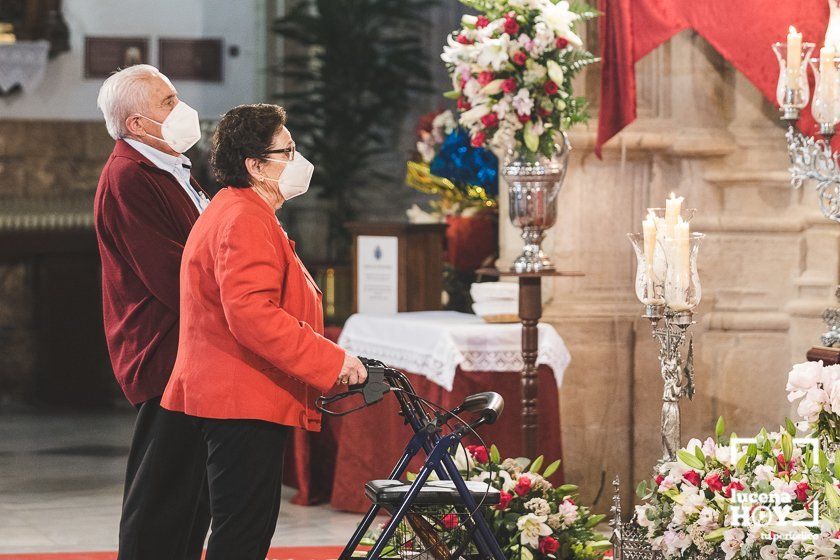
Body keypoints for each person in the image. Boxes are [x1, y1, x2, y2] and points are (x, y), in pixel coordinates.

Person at [161, 103, 368, 559]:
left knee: (242, 528)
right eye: (287, 151)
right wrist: (332, 360)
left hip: (236, 393)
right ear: (255, 164)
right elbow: (252, 313)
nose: (298, 161)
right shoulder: (243, 216)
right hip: (239, 396)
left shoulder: (242, 209)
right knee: (242, 534)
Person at [93, 64, 211, 560]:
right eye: (167, 102)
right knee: (161, 497)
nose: (181, 109)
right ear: (137, 125)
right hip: (165, 351)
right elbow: (168, 271)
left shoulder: (172, 165)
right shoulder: (128, 176)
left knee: (191, 497)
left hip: (194, 348)